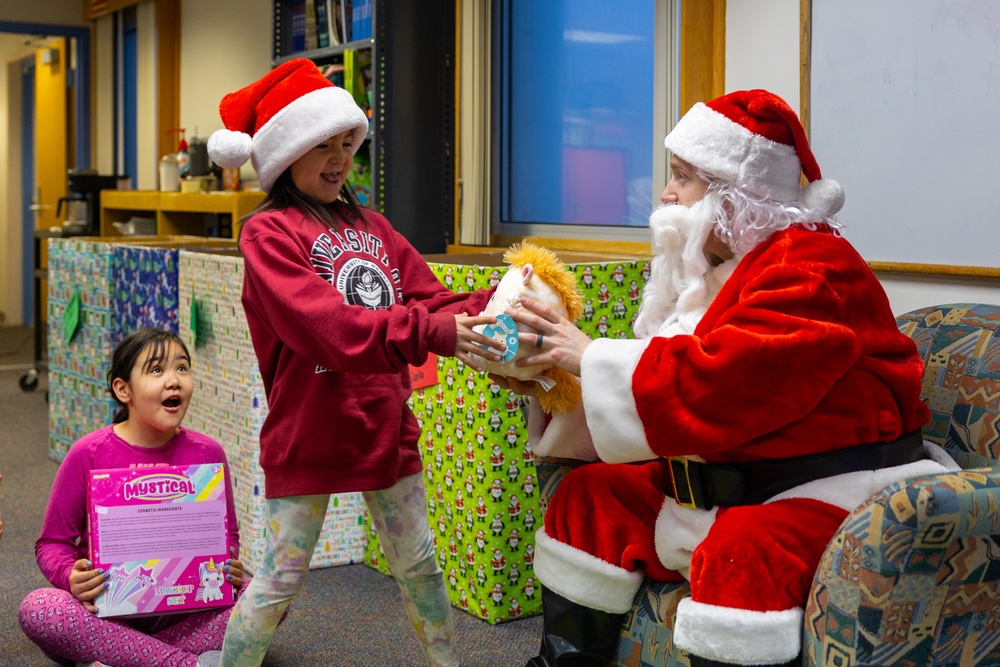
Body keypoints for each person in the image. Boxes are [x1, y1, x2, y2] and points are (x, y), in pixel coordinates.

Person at [494, 89, 957, 667]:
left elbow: (725, 385)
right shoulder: (716, 269)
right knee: (593, 499)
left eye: (683, 178)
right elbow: (664, 389)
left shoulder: (814, 268)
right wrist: (557, 377)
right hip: (727, 475)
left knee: (745, 553)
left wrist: (585, 355)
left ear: (737, 196)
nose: (666, 194)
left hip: (825, 486)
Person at [203, 58, 505, 667]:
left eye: (348, 143)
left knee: (419, 566)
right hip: (308, 434)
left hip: (385, 428)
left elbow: (429, 298)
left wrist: (506, 298)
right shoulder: (267, 234)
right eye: (324, 145)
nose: (341, 159)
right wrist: (435, 332)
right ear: (286, 151)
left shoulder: (376, 227)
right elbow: (330, 329)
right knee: (281, 578)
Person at [18, 328, 248, 667]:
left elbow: (227, 533)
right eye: (157, 370)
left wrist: (229, 563)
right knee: (39, 609)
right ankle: (187, 662)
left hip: (184, 611)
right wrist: (71, 577)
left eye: (182, 368)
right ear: (123, 390)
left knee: (267, 596)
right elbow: (52, 543)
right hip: (106, 615)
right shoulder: (88, 452)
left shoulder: (208, 452)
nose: (174, 380)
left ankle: (123, 656)